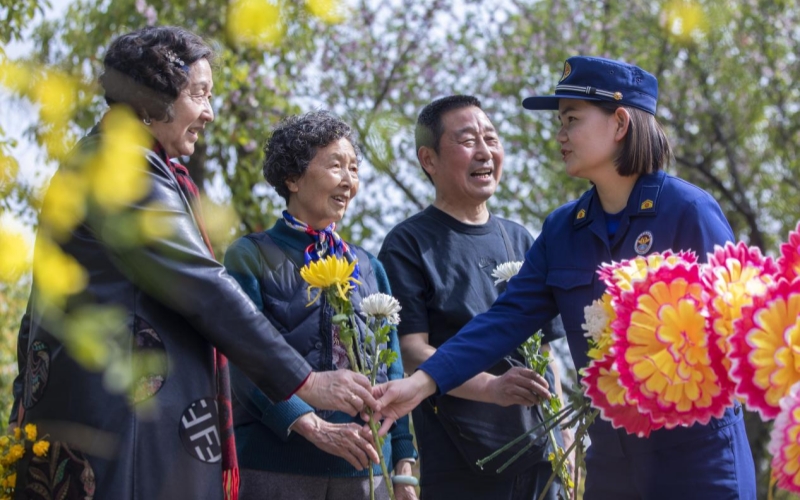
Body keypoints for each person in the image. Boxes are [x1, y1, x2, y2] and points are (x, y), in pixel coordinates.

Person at [10, 27, 378, 500]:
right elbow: (203, 285)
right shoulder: (123, 166)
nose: (208, 112)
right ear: (152, 97)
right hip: (125, 429)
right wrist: (304, 380)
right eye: (199, 93)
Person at [372, 57, 757, 499]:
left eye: (571, 120)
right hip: (614, 463)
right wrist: (421, 383)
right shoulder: (562, 230)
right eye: (560, 122)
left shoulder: (688, 212)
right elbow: (504, 321)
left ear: (619, 124)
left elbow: (736, 329)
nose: (560, 136)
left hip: (697, 456)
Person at [378, 95, 568, 500]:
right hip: (463, 460)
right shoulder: (408, 243)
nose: (485, 152)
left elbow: (548, 353)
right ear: (429, 160)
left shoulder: (520, 237)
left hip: (540, 455)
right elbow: (411, 351)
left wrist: (565, 440)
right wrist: (491, 387)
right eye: (467, 141)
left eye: (491, 138)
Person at [223, 111, 418, 500]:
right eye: (335, 166)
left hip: (368, 470)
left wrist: (404, 467)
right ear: (292, 178)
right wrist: (310, 424)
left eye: (354, 168)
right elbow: (238, 360)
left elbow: (392, 366)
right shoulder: (251, 255)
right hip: (275, 466)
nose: (349, 180)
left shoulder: (368, 265)